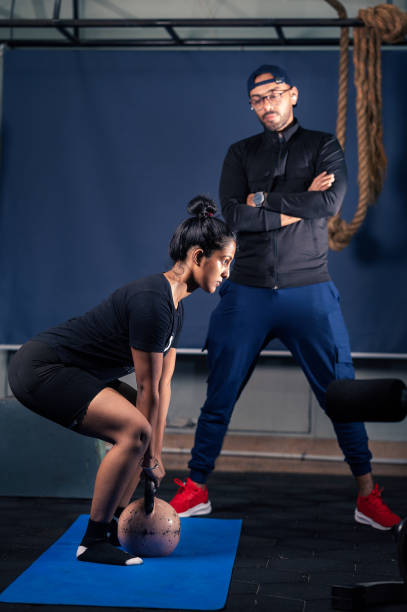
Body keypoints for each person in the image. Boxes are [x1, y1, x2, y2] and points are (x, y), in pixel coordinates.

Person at [169, 65, 401, 531]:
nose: (267, 104)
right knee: (220, 394)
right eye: (258, 99)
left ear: (293, 94)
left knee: (344, 395)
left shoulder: (324, 146)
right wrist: (292, 200)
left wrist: (264, 200)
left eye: (275, 94)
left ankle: (367, 495)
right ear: (252, 106)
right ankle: (196, 488)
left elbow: (329, 206)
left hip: (309, 291)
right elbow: (232, 217)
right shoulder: (240, 153)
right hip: (246, 293)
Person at [8, 195, 236, 566]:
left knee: (141, 432)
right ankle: (93, 541)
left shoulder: (174, 310)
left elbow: (163, 388)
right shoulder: (152, 301)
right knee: (135, 431)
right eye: (224, 261)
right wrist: (147, 453)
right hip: (41, 368)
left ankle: (112, 528)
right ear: (198, 256)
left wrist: (156, 457)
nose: (227, 272)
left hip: (74, 373)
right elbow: (146, 388)